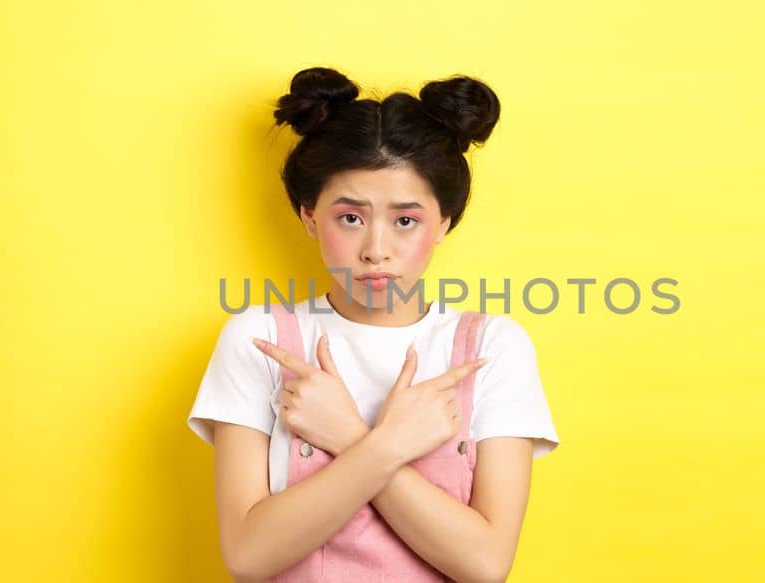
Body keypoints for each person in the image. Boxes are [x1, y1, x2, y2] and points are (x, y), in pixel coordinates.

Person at [187, 66, 559, 582]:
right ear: (310, 217)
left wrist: (346, 435)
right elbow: (249, 557)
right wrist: (384, 446)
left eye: (406, 220)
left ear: (444, 223)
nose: (376, 250)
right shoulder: (260, 339)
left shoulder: (492, 347)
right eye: (351, 218)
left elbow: (485, 564)